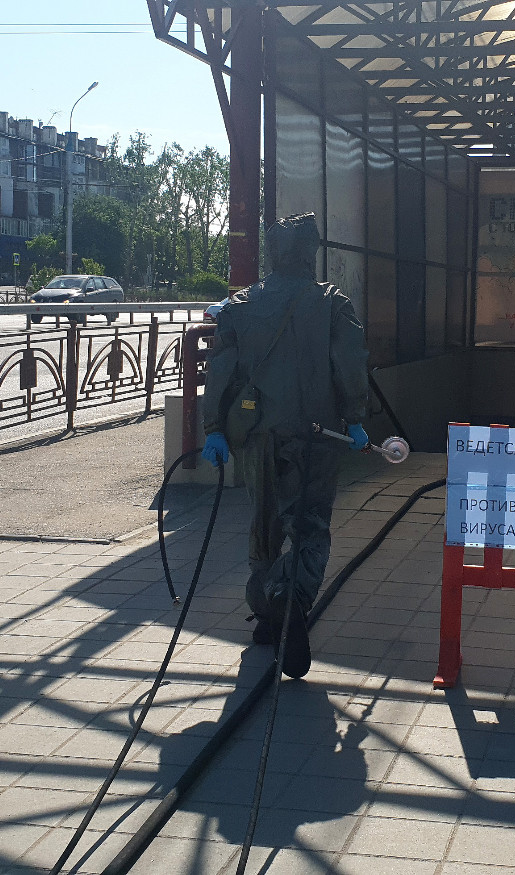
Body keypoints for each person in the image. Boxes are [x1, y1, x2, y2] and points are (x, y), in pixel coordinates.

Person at [199, 213, 369, 680]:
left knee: (265, 524)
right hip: (316, 437)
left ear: (272, 253)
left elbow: (220, 371)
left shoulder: (239, 306)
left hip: (257, 438)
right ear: (310, 253)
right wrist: (355, 419)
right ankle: (289, 601)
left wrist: (214, 428)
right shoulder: (332, 304)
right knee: (309, 527)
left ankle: (266, 614)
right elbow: (350, 365)